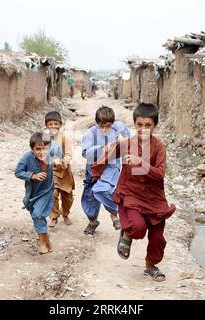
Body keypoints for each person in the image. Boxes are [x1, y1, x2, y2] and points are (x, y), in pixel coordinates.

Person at [92, 103, 176, 282]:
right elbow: (107, 154)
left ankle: (150, 266)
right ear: (134, 124)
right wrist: (96, 173)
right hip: (131, 193)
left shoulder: (159, 147)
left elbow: (160, 173)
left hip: (154, 196)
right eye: (139, 125)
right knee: (138, 228)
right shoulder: (127, 144)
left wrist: (141, 162)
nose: (143, 129)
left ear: (155, 126)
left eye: (148, 125)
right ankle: (127, 234)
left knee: (157, 235)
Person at [81, 106, 131, 235]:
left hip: (111, 166)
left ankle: (115, 215)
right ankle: (93, 221)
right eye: (101, 126)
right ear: (97, 123)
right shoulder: (90, 134)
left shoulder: (117, 127)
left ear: (112, 123)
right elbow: (86, 153)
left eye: (108, 126)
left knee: (105, 189)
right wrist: (103, 148)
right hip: (94, 168)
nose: (105, 129)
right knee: (90, 196)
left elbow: (128, 135)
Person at [15, 132, 63, 255]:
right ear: (32, 149)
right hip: (32, 193)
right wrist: (33, 175)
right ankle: (46, 239)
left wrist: (60, 162)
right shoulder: (27, 158)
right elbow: (18, 172)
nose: (42, 152)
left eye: (45, 148)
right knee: (36, 216)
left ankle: (41, 244)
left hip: (46, 191)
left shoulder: (52, 156)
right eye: (38, 149)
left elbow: (61, 160)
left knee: (38, 215)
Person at [44, 111, 75, 228]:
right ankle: (54, 216)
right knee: (53, 194)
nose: (53, 126)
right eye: (50, 124)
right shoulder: (44, 138)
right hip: (51, 172)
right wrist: (51, 161)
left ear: (60, 125)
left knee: (68, 196)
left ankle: (65, 213)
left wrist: (64, 161)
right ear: (46, 125)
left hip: (65, 171)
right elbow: (42, 155)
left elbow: (68, 154)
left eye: (56, 124)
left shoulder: (64, 138)